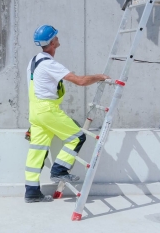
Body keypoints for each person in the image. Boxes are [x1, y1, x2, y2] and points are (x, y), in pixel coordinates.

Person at [24, 25, 110, 203]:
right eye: (56, 36)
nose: (58, 38)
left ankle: (31, 192)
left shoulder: (34, 60)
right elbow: (80, 81)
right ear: (53, 42)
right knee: (77, 137)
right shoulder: (49, 64)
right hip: (47, 110)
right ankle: (59, 170)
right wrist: (99, 77)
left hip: (36, 112)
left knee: (37, 152)